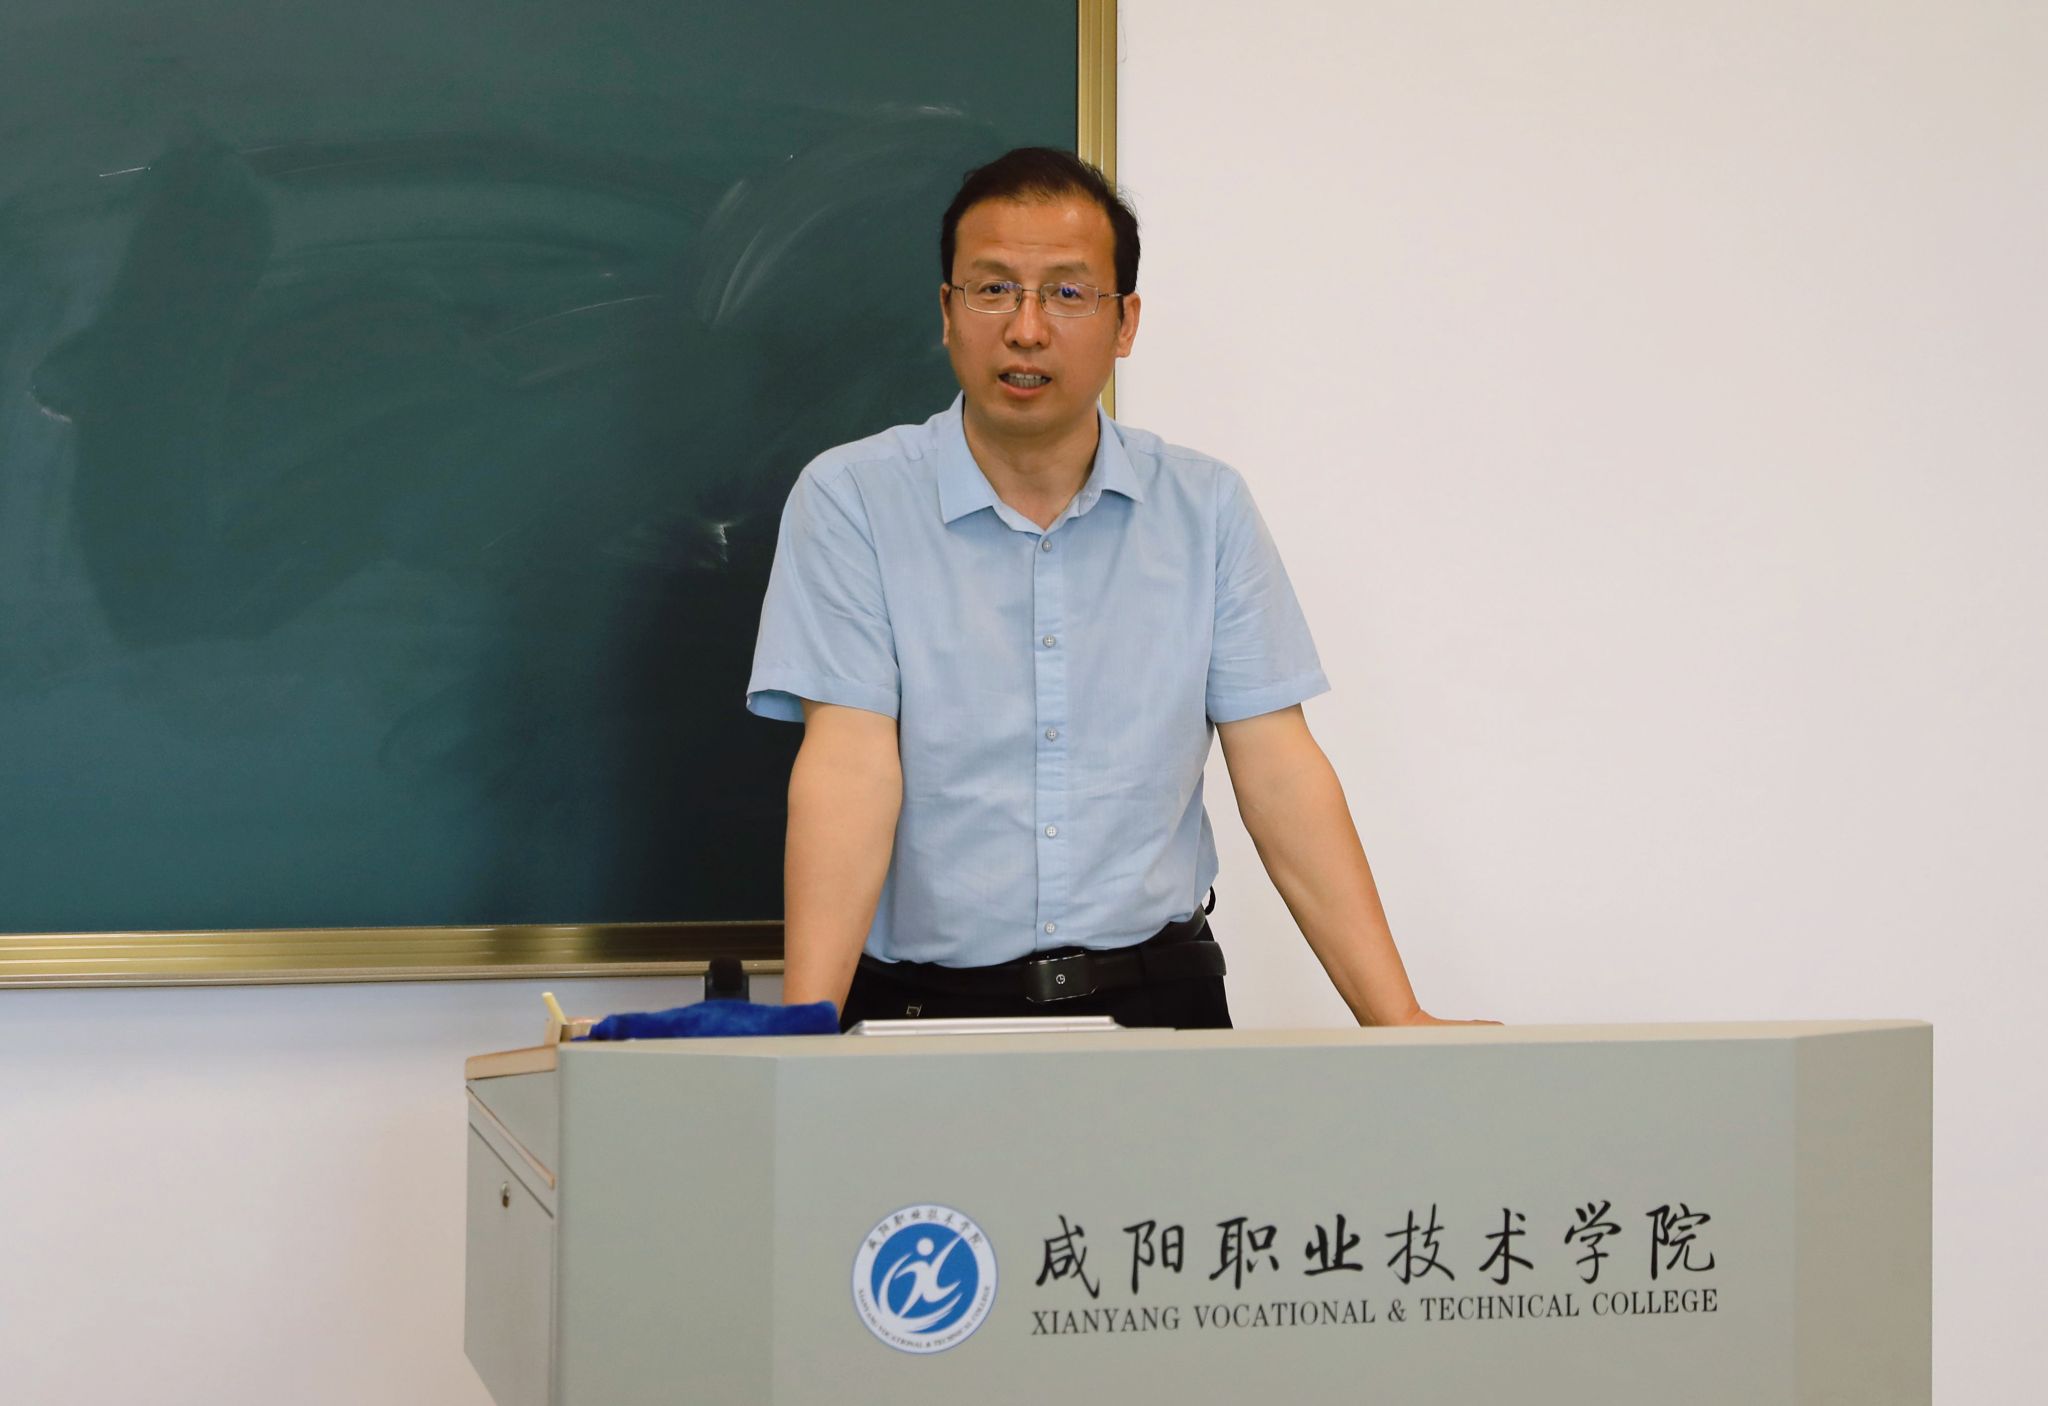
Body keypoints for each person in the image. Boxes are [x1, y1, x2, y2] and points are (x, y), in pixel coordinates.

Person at [747, 147, 1477, 1031]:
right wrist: (806, 1033)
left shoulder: (1205, 507)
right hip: (920, 1009)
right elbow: (848, 768)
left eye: (1067, 292)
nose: (1026, 329)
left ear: (1124, 321)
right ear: (947, 311)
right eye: (992, 289)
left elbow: (1279, 768)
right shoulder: (852, 499)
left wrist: (1398, 1020)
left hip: (1159, 1001)